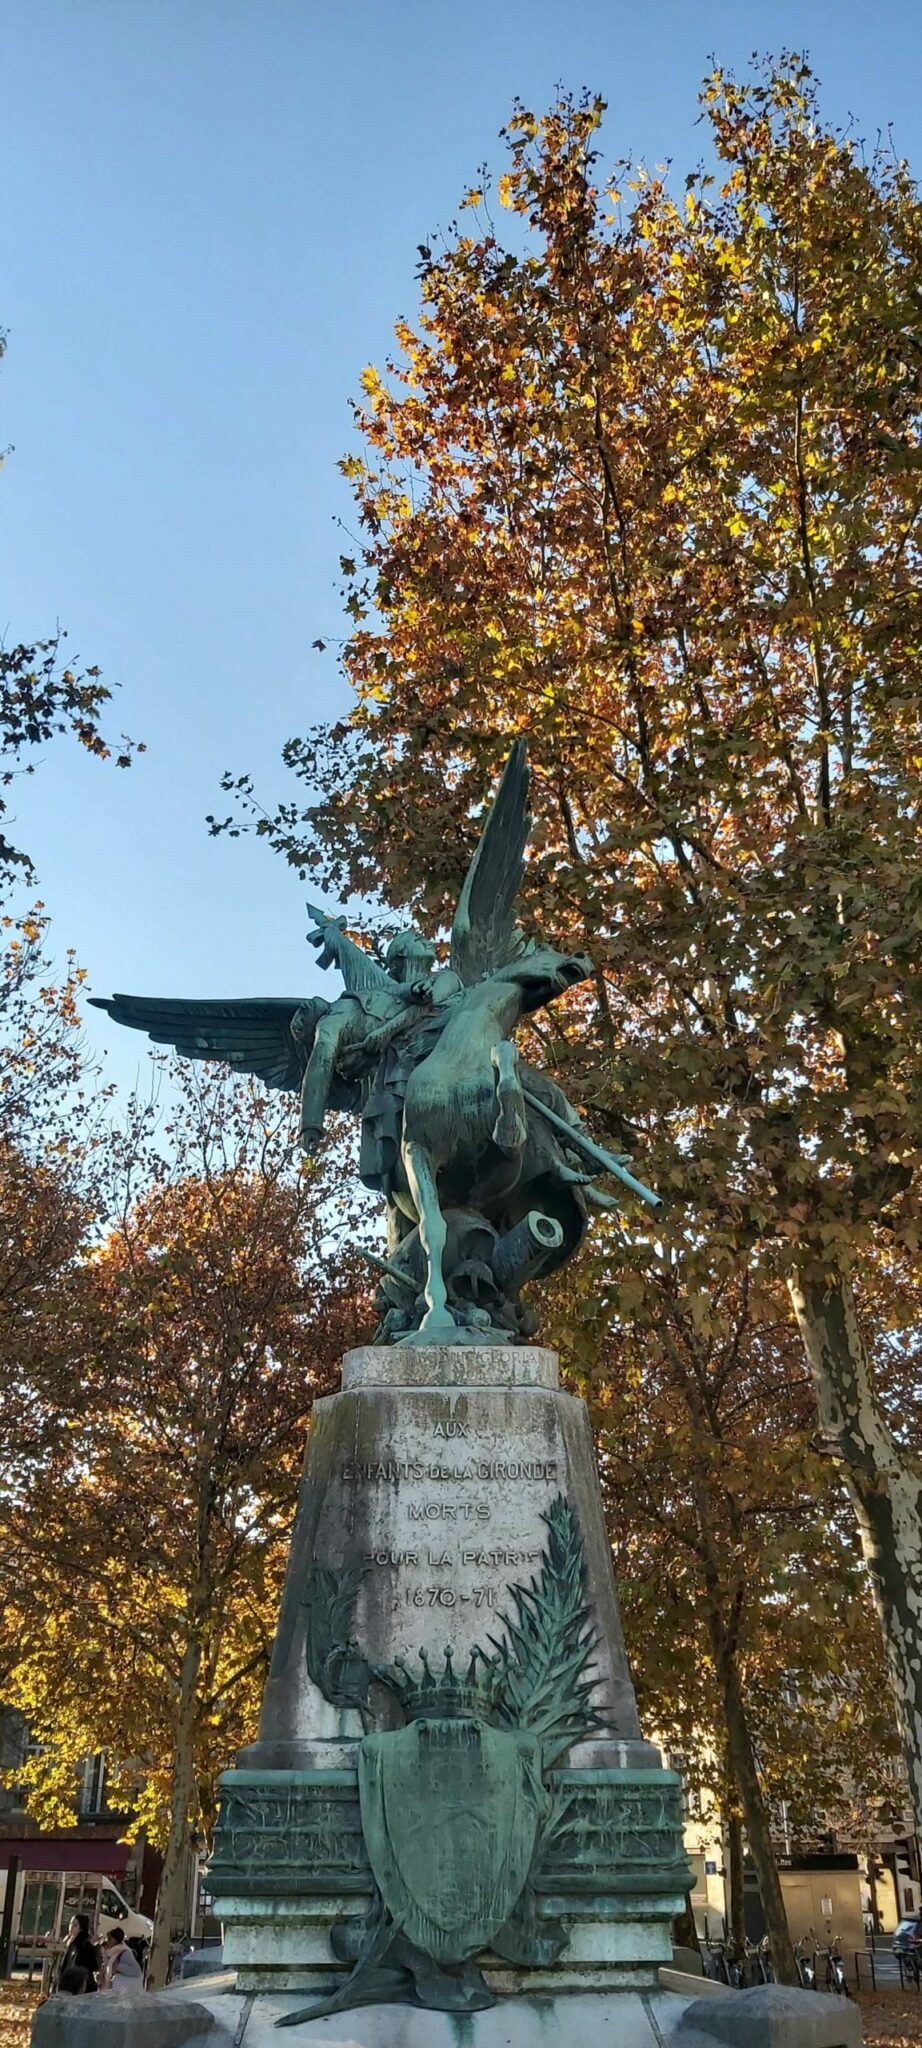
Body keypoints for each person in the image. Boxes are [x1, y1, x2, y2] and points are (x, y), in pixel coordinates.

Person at [59, 1912, 100, 1992]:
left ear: (81, 1928)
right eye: (70, 1924)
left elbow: (87, 1968)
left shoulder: (85, 1945)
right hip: (69, 1984)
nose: (71, 1927)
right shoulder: (71, 1942)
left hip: (81, 1987)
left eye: (75, 1925)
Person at [100, 1925, 144, 1995]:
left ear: (115, 1940)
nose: (108, 1941)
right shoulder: (112, 1954)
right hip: (120, 1991)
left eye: (110, 1939)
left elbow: (136, 1971)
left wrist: (117, 1966)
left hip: (127, 1993)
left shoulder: (124, 1953)